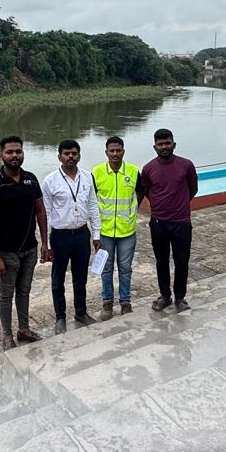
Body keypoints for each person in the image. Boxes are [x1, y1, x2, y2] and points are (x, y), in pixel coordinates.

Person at [0, 135, 50, 349]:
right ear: (1, 155)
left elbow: (40, 211)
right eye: (9, 152)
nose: (14, 156)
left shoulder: (31, 179)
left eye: (18, 151)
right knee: (6, 294)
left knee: (25, 290)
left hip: (29, 247)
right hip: (6, 252)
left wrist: (44, 243)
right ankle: (7, 334)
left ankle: (24, 329)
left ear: (23, 153)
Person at [42, 139, 102, 334]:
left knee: (80, 277)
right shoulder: (50, 181)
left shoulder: (87, 177)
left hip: (81, 234)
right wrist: (46, 243)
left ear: (79, 156)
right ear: (59, 156)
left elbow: (93, 206)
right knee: (58, 278)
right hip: (60, 236)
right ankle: (60, 318)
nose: (70, 157)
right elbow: (46, 213)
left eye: (74, 153)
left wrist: (96, 234)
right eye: (66, 154)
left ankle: (81, 312)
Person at [137, 128, 198, 313]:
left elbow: (192, 189)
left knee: (182, 261)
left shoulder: (186, 165)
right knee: (161, 261)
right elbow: (146, 190)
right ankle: (165, 296)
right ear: (154, 147)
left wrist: (178, 205)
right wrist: (160, 205)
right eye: (160, 144)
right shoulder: (148, 169)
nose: (164, 147)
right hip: (158, 223)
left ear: (174, 144)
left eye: (167, 143)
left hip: (181, 222)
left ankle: (180, 297)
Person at [92, 135, 139, 318]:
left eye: (118, 150)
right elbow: (91, 201)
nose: (115, 154)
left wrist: (130, 214)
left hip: (127, 231)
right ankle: (107, 302)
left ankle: (125, 302)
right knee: (106, 268)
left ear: (123, 152)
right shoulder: (97, 172)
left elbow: (140, 193)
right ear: (106, 152)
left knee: (125, 268)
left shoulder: (134, 171)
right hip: (105, 232)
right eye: (111, 150)